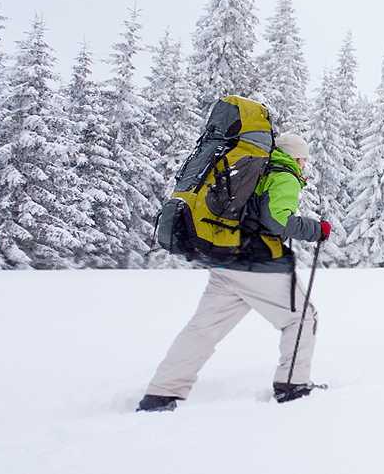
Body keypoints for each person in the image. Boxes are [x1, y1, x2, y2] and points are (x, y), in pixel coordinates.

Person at [137, 132, 331, 412]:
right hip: (259, 264)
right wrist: (317, 229)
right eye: (303, 159)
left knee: (202, 330)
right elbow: (277, 220)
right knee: (301, 318)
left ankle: (161, 393)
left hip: (226, 262)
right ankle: (293, 385)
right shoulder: (284, 174)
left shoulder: (253, 170)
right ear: (293, 156)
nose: (304, 164)